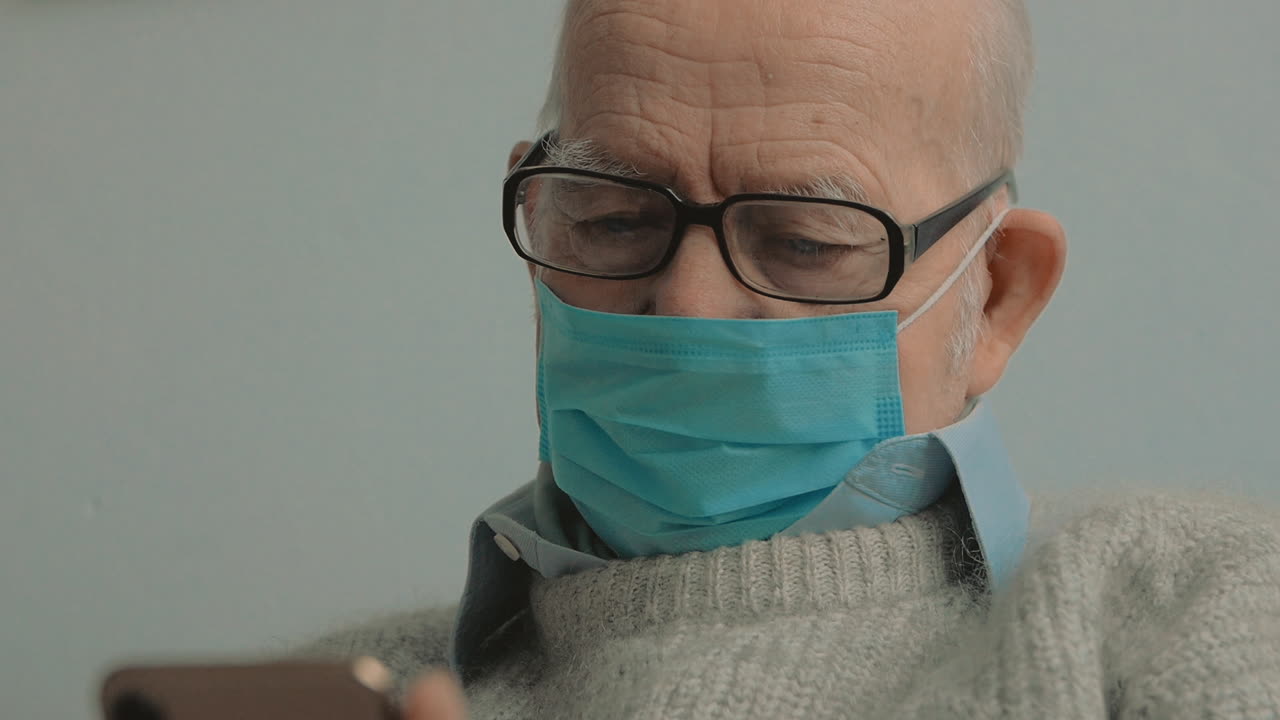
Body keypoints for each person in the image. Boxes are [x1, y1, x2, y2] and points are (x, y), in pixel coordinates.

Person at [296, 1, 1280, 717]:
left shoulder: (1188, 614)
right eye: (610, 219)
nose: (686, 304)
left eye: (806, 240)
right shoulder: (336, 693)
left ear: (996, 296)